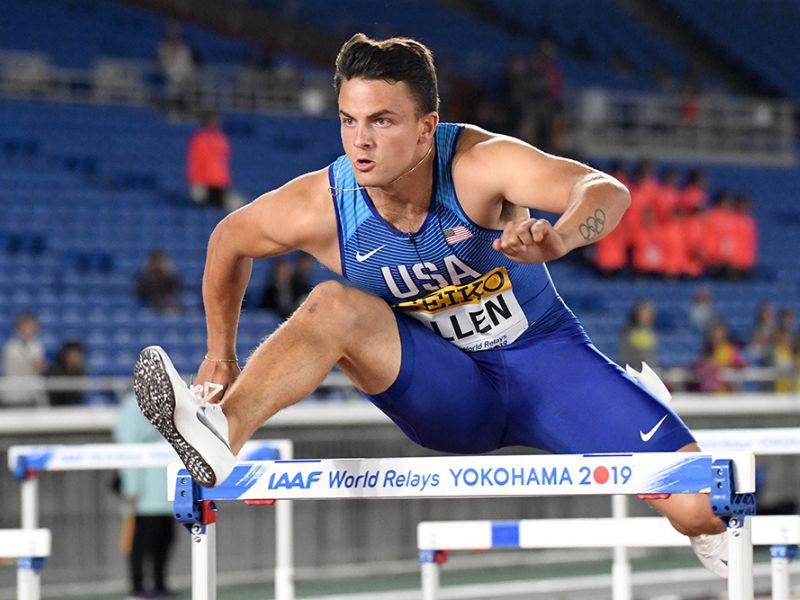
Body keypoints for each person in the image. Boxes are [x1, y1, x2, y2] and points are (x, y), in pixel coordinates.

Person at [133, 34, 728, 577]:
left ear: (426, 128)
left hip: (544, 364)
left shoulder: (478, 163)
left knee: (701, 508)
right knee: (332, 304)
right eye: (348, 121)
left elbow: (605, 191)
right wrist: (219, 354)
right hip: (446, 389)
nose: (360, 141)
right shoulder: (323, 207)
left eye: (382, 121)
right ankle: (221, 434)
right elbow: (228, 242)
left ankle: (643, 432)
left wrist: (562, 235)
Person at [114, 392, 177, 600]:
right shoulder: (134, 406)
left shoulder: (162, 401)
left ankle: (159, 585)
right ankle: (138, 587)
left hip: (162, 492)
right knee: (141, 544)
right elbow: (128, 448)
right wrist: (131, 489)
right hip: (144, 497)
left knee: (163, 541)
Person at [187, 111, 232, 210]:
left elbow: (223, 162)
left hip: (220, 182)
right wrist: (195, 182)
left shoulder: (222, 139)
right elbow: (195, 162)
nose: (215, 122)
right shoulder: (198, 139)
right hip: (203, 182)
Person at [1, 312, 47, 406]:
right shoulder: (10, 348)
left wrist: (40, 367)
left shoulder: (37, 347)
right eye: (26, 326)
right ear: (18, 328)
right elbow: (13, 370)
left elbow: (38, 370)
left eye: (32, 327)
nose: (29, 330)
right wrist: (34, 365)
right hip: (13, 396)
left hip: (31, 395)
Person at [135, 249, 182, 314]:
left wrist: (168, 272)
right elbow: (140, 293)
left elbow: (176, 288)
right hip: (150, 305)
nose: (157, 264)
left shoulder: (169, 276)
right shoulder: (144, 278)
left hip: (167, 303)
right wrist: (151, 276)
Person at [618, 300, 659, 370]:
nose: (645, 315)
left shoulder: (652, 331)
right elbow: (625, 355)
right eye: (643, 311)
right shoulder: (628, 332)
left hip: (650, 370)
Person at [45, 340, 87, 406]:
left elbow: (79, 395)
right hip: (54, 409)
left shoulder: (81, 371)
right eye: (73, 353)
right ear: (65, 354)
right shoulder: (54, 370)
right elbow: (54, 394)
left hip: (73, 409)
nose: (75, 357)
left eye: (78, 354)